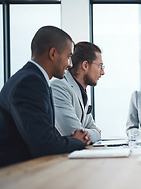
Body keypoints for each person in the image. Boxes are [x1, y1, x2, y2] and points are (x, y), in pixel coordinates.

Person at [0, 26, 90, 167]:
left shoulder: (33, 78)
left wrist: (69, 140)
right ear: (53, 53)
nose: (69, 64)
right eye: (68, 57)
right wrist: (77, 141)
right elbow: (42, 144)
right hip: (15, 173)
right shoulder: (30, 82)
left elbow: (41, 136)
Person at [50, 42, 104, 143]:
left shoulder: (80, 90)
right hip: (57, 157)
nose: (102, 72)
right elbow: (75, 133)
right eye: (100, 66)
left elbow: (90, 126)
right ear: (85, 65)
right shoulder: (59, 86)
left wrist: (93, 132)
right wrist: (95, 133)